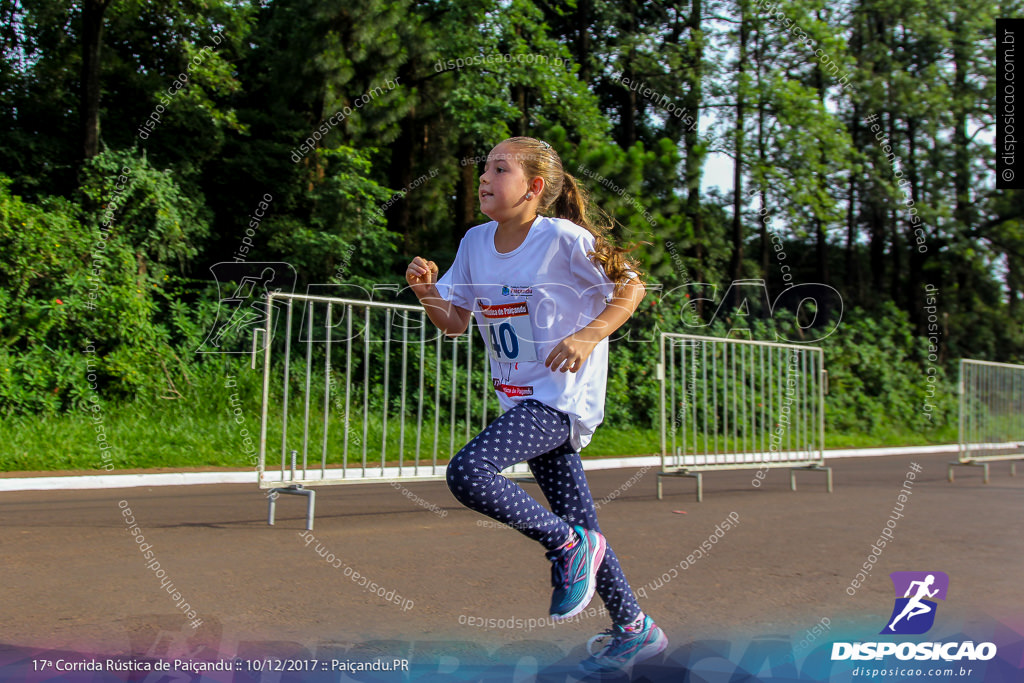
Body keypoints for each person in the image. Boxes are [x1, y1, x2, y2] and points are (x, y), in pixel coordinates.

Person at [405, 136, 667, 674]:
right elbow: (455, 323)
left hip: (560, 398)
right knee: (584, 523)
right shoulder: (476, 243)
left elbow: (632, 288)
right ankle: (636, 628)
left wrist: (589, 336)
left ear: (535, 187)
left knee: (469, 472)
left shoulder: (564, 238)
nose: (484, 178)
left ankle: (566, 545)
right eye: (484, 168)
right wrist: (428, 292)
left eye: (500, 169)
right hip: (519, 401)